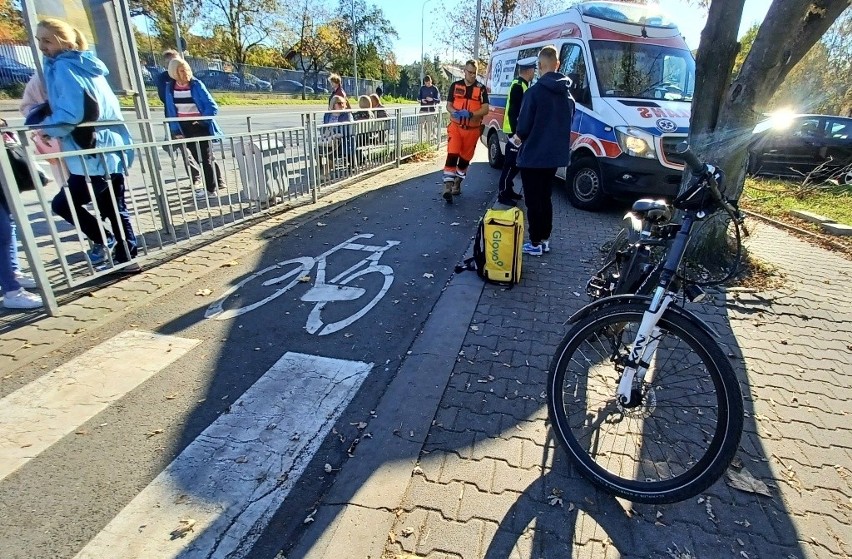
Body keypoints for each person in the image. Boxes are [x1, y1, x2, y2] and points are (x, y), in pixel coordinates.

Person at [35, 18, 138, 267]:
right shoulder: (87, 66)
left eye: (47, 40)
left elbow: (72, 111)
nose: (42, 47)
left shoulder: (64, 67)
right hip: (109, 147)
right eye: (39, 41)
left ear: (65, 40)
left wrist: (50, 128)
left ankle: (111, 242)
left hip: (91, 149)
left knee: (65, 203)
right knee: (113, 206)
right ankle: (127, 256)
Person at [515, 45, 575, 256]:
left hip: (533, 155)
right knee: (546, 197)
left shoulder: (533, 93)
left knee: (533, 201)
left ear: (540, 66)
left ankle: (535, 242)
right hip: (553, 157)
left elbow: (523, 127)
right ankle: (546, 239)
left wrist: (517, 138)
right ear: (557, 65)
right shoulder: (568, 97)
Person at [164, 58, 225, 200]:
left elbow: (212, 106)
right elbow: (170, 111)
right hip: (183, 127)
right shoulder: (170, 88)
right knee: (198, 159)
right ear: (174, 72)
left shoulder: (196, 84)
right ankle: (212, 185)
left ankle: (211, 189)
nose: (185, 73)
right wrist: (176, 131)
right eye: (181, 70)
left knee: (206, 158)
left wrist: (201, 120)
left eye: (187, 70)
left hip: (199, 126)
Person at [442, 60, 489, 203]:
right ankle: (447, 187)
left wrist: (471, 114)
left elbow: (486, 109)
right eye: (470, 72)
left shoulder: (481, 89)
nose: (472, 75)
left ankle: (457, 184)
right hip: (456, 127)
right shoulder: (455, 86)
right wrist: (455, 112)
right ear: (464, 71)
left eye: (475, 73)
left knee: (464, 159)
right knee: (452, 153)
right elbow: (448, 106)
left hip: (472, 130)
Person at [156, 50, 200, 186]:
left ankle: (214, 177)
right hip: (175, 120)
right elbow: (165, 98)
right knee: (184, 149)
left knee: (202, 150)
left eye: (176, 61)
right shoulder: (163, 79)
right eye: (170, 63)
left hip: (194, 120)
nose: (174, 65)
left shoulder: (190, 77)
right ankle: (195, 178)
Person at [496, 57, 536, 206]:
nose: (534, 73)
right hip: (515, 133)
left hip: (517, 132)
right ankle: (502, 194)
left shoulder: (523, 85)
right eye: (533, 70)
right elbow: (514, 112)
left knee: (515, 164)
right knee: (510, 164)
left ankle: (509, 190)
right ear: (529, 70)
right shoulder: (519, 86)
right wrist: (516, 135)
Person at [319, 95, 353, 178]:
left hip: (342, 139)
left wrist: (335, 134)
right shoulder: (327, 115)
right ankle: (323, 169)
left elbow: (348, 129)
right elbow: (324, 127)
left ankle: (326, 172)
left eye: (343, 103)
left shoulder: (347, 115)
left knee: (331, 150)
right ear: (333, 104)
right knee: (318, 149)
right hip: (329, 138)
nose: (342, 105)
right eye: (339, 103)